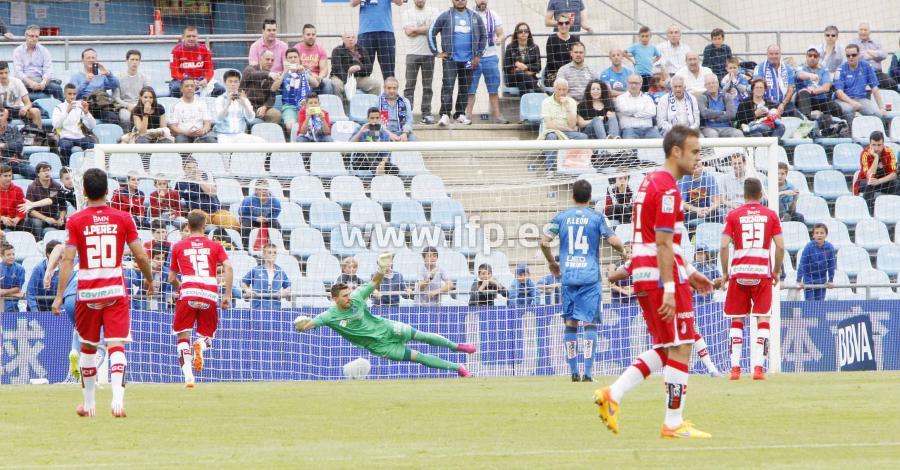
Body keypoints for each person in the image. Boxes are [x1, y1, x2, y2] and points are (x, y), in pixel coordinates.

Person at [594, 125, 714, 439]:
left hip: (646, 273)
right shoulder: (669, 189)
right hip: (661, 277)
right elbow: (662, 243)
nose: (698, 158)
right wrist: (673, 287)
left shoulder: (650, 180)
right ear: (677, 151)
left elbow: (663, 241)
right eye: (695, 151)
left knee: (666, 346)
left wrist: (689, 271)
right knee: (682, 346)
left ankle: (614, 393)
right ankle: (673, 423)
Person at [51, 167, 155, 418]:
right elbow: (140, 255)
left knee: (87, 346)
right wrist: (150, 279)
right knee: (116, 343)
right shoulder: (123, 218)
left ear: (84, 192)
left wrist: (59, 294)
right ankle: (117, 402)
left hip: (87, 292)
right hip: (115, 290)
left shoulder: (75, 221)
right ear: (108, 191)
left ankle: (88, 405)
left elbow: (67, 259)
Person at [294, 252, 476, 377]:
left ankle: (456, 346)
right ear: (335, 299)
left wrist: (381, 269)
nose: (349, 297)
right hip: (380, 346)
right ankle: (458, 368)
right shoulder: (328, 316)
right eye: (344, 296)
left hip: (387, 327)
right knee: (418, 357)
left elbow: (374, 283)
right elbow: (308, 326)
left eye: (348, 294)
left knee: (422, 336)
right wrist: (301, 325)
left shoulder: (357, 297)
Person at [541, 179, 625, 382]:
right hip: (589, 277)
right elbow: (612, 240)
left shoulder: (561, 217)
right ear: (589, 198)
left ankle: (573, 372)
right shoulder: (596, 217)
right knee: (590, 323)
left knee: (570, 323)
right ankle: (587, 373)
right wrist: (624, 252)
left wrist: (552, 262)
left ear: (573, 196)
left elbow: (544, 242)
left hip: (569, 276)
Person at [720, 177, 785, 381]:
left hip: (739, 273)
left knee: (737, 320)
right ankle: (758, 368)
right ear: (761, 194)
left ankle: (735, 369)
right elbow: (781, 246)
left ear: (744, 195)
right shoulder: (770, 215)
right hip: (761, 274)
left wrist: (724, 273)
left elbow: (723, 246)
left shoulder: (733, 215)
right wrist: (776, 271)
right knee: (763, 319)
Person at [168, 210, 233, 388]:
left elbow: (172, 278)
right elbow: (228, 266)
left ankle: (188, 377)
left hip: (188, 292)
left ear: (187, 227)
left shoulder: (179, 246)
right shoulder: (215, 246)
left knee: (182, 336)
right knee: (207, 337)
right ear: (205, 226)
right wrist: (227, 294)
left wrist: (182, 288)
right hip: (209, 293)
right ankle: (201, 345)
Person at [429, 0, 486, 127]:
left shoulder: (474, 16)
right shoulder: (445, 15)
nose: (460, 1)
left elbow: (484, 36)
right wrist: (436, 52)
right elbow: (431, 31)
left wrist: (478, 55)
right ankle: (445, 114)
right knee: (448, 86)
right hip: (451, 60)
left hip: (468, 61)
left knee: (465, 87)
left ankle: (460, 114)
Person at [464, 0, 508, 124]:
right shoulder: (468, 14)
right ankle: (467, 116)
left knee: (493, 89)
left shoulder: (494, 15)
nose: (482, 1)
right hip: (471, 57)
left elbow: (501, 33)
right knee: (470, 88)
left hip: (491, 57)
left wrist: (499, 39)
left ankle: (498, 116)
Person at [176, 156, 240, 230]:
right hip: (198, 213)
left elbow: (212, 192)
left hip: (216, 211)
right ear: (184, 169)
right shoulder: (181, 182)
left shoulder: (206, 175)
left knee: (232, 224)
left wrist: (199, 180)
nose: (192, 170)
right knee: (197, 219)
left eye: (194, 167)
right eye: (189, 168)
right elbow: (176, 199)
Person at [403, 0, 439, 124]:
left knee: (428, 87)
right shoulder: (407, 12)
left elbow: (433, 29)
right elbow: (408, 32)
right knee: (409, 86)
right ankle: (407, 114)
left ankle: (426, 114)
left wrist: (415, 29)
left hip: (429, 54)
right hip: (412, 54)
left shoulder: (434, 11)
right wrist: (426, 27)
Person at [834, 44, 887, 126]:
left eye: (853, 55)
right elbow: (839, 93)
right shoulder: (841, 69)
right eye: (848, 55)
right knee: (849, 110)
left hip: (861, 99)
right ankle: (849, 134)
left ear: (858, 55)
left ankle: (877, 136)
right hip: (844, 100)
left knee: (878, 114)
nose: (851, 57)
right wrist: (852, 103)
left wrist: (881, 107)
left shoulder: (867, 66)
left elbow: (875, 88)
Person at [540, 79, 587, 170]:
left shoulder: (571, 102)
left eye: (564, 89)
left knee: (583, 137)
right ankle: (551, 168)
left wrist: (567, 107)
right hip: (552, 131)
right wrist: (565, 128)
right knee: (551, 137)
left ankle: (575, 165)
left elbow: (572, 125)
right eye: (559, 89)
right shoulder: (546, 102)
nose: (562, 92)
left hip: (567, 132)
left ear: (567, 90)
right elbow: (549, 125)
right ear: (554, 89)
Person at [169, 26, 224, 98]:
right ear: (183, 37)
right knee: (175, 89)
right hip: (182, 79)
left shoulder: (204, 49)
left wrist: (206, 80)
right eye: (188, 36)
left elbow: (210, 70)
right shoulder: (175, 51)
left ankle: (210, 107)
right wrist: (189, 81)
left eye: (194, 36)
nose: (191, 39)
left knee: (220, 90)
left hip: (200, 80)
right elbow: (174, 73)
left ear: (197, 37)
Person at [352, 0, 402, 79]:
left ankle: (389, 91)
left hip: (385, 31)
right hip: (365, 32)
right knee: (362, 69)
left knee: (388, 71)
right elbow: (353, 3)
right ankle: (362, 91)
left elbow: (400, 2)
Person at [12, 25, 64, 101]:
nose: (34, 39)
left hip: (41, 81)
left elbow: (48, 69)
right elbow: (18, 72)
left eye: (37, 36)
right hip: (25, 82)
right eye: (32, 36)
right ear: (26, 36)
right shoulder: (18, 51)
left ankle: (62, 110)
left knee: (57, 88)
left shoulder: (44, 50)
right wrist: (30, 83)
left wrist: (44, 81)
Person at [213, 70, 264, 144]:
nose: (233, 84)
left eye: (236, 81)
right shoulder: (219, 99)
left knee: (261, 142)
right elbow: (218, 119)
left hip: (240, 135)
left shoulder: (243, 99)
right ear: (225, 82)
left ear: (239, 83)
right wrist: (228, 104)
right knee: (226, 151)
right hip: (223, 135)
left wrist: (244, 104)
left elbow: (251, 118)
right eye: (230, 81)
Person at [795, 46, 843, 120]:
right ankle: (806, 123)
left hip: (820, 99)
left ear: (819, 57)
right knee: (804, 93)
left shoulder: (823, 69)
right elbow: (799, 75)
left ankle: (840, 126)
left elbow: (826, 87)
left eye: (815, 56)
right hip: (804, 99)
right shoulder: (801, 67)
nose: (812, 58)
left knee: (835, 107)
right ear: (806, 56)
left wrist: (812, 91)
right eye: (810, 55)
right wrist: (811, 76)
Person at [330, 32, 381, 102]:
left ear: (356, 39)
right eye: (348, 37)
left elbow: (369, 68)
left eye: (353, 37)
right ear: (343, 39)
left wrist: (359, 68)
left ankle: (370, 108)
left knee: (376, 85)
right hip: (340, 77)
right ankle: (340, 109)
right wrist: (348, 81)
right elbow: (337, 69)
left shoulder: (362, 50)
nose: (351, 39)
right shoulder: (337, 50)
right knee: (337, 85)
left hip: (358, 77)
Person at [52, 83, 96, 164]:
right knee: (65, 147)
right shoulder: (58, 107)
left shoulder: (80, 106)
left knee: (93, 146)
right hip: (65, 137)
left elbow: (92, 126)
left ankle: (90, 167)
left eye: (74, 94)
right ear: (64, 94)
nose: (72, 96)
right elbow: (56, 125)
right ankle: (67, 168)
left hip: (80, 136)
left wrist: (86, 113)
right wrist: (67, 111)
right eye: (69, 94)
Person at [853, 131, 897, 210]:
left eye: (879, 145)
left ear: (883, 144)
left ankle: (894, 210)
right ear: (870, 144)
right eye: (874, 145)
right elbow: (869, 175)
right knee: (870, 184)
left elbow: (894, 174)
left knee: (897, 184)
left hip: (882, 181)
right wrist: (876, 157)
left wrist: (879, 181)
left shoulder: (889, 152)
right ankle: (867, 212)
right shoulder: (865, 153)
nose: (876, 148)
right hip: (865, 181)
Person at [752, 45, 798, 118]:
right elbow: (757, 88)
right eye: (771, 54)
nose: (774, 56)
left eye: (776, 54)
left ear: (780, 55)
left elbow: (790, 89)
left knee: (797, 117)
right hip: (765, 104)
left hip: (784, 104)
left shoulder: (788, 68)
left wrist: (783, 104)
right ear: (767, 55)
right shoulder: (760, 68)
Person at [241, 243, 291, 310]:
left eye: (275, 253)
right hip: (257, 307)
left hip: (275, 308)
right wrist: (247, 290)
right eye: (269, 252)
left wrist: (285, 291)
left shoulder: (280, 272)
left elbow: (288, 286)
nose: (273, 254)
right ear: (264, 255)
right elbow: (243, 282)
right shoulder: (256, 270)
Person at [275, 49, 315, 130]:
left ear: (299, 59)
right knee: (291, 127)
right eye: (290, 57)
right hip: (289, 106)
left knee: (312, 125)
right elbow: (274, 87)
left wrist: (303, 73)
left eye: (295, 57)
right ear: (286, 60)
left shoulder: (305, 71)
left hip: (306, 105)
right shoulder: (282, 73)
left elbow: (316, 83)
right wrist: (284, 73)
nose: (293, 59)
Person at [167, 78, 217, 143]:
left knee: (211, 141)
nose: (190, 88)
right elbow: (173, 126)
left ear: (195, 88)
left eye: (192, 86)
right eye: (187, 86)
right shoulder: (175, 105)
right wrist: (186, 132)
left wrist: (203, 130)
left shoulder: (202, 104)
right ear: (181, 89)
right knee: (181, 142)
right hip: (183, 134)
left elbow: (207, 122)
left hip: (201, 134)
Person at [849, 22, 896, 90]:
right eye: (861, 30)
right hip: (860, 74)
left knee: (892, 84)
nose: (863, 32)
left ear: (870, 32)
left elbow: (884, 54)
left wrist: (872, 52)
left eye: (865, 30)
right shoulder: (853, 43)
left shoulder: (876, 42)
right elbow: (854, 57)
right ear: (858, 31)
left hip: (877, 74)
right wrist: (873, 56)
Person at [25, 161, 66, 237]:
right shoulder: (32, 187)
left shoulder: (56, 186)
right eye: (44, 171)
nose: (47, 173)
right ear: (38, 174)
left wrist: (61, 217)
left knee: (65, 221)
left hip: (53, 215)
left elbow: (63, 205)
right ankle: (38, 242)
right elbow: (30, 210)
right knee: (37, 223)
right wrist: (46, 218)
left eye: (48, 170)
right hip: (38, 216)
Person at [796, 223, 836, 301]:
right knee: (810, 303)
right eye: (817, 233)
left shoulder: (830, 247)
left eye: (822, 233)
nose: (819, 235)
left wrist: (831, 280)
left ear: (826, 235)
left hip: (822, 280)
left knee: (820, 304)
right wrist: (798, 280)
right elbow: (802, 263)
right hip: (809, 280)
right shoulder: (809, 247)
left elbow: (831, 265)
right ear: (813, 235)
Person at [679, 160, 725, 228]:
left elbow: (717, 201)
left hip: (707, 210)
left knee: (721, 212)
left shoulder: (709, 178)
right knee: (679, 214)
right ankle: (687, 236)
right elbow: (681, 202)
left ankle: (718, 235)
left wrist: (708, 209)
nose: (696, 168)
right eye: (694, 167)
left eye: (698, 166)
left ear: (702, 166)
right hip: (690, 212)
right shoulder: (683, 180)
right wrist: (697, 209)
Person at [241, 50, 282, 124]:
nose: (270, 62)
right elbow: (253, 75)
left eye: (272, 60)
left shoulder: (272, 76)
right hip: (245, 105)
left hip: (260, 107)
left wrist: (265, 107)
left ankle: (267, 134)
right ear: (261, 59)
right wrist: (268, 74)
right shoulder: (250, 69)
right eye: (267, 59)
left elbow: (272, 97)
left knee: (276, 114)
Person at [615, 74, 661, 139]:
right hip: (629, 130)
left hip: (649, 129)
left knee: (659, 144)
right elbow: (625, 110)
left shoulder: (648, 98)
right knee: (630, 147)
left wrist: (633, 115)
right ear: (627, 83)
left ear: (641, 84)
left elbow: (652, 112)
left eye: (636, 83)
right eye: (631, 83)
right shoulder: (620, 98)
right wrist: (643, 110)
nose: (633, 85)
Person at [113, 50, 150, 130]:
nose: (135, 62)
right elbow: (116, 98)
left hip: (140, 105)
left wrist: (141, 105)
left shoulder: (143, 78)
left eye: (137, 60)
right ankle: (128, 136)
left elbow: (148, 95)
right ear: (127, 61)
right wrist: (127, 105)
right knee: (126, 117)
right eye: (132, 59)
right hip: (125, 107)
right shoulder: (118, 78)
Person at [350, 107, 393, 174]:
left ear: (380, 119)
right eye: (372, 118)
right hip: (361, 161)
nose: (375, 121)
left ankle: (379, 171)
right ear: (368, 119)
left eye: (377, 118)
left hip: (377, 160)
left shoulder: (384, 133)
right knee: (369, 149)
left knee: (393, 168)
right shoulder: (360, 129)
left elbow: (385, 154)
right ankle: (378, 173)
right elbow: (350, 143)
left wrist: (383, 163)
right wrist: (361, 132)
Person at [239, 179, 282, 246]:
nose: (263, 191)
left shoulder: (274, 201)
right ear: (255, 190)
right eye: (260, 189)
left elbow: (276, 213)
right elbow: (242, 214)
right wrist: (255, 218)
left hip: (266, 219)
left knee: (277, 226)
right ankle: (245, 246)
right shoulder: (248, 200)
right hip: (250, 219)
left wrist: (268, 218)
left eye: (265, 189)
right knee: (246, 226)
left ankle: (276, 246)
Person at [0, 61, 42, 128]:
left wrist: (25, 108)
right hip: (4, 110)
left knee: (35, 111)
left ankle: (39, 136)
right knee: (4, 112)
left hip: (19, 109)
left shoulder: (17, 82)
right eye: (1, 73)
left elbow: (28, 103)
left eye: (6, 73)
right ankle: (3, 137)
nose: (4, 76)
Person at [698, 73, 741, 138]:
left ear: (718, 83)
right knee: (712, 134)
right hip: (709, 128)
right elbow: (704, 113)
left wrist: (713, 118)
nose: (711, 85)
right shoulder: (702, 97)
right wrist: (722, 112)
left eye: (713, 83)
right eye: (708, 84)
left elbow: (732, 114)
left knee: (738, 133)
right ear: (705, 86)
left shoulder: (727, 96)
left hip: (726, 128)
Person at [503, 22, 541, 94]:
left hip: (529, 78)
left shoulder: (534, 47)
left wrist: (526, 67)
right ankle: (539, 91)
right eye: (520, 31)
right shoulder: (510, 47)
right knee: (519, 73)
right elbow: (506, 67)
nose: (523, 33)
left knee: (522, 83)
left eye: (526, 31)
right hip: (513, 78)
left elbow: (538, 67)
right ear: (516, 34)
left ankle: (524, 104)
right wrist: (516, 65)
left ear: (529, 33)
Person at [294, 24, 332, 95]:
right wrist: (309, 76)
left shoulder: (320, 49)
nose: (311, 37)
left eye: (313, 34)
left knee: (328, 83)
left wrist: (320, 77)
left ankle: (327, 105)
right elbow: (295, 67)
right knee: (307, 85)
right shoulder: (296, 49)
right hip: (303, 78)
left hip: (317, 79)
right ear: (303, 36)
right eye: (308, 34)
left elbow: (324, 69)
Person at [542, 13, 579, 86]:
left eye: (566, 23)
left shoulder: (575, 39)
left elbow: (578, 58)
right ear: (557, 24)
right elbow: (550, 61)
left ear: (570, 24)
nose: (564, 25)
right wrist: (566, 70)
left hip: (572, 73)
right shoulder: (552, 39)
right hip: (555, 73)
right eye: (561, 23)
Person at [0, 108, 35, 179]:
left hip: (12, 162)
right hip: (1, 163)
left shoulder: (13, 129)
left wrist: (3, 145)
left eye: (1, 115)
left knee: (33, 172)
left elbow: (19, 147)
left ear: (6, 116)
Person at [27, 240, 60, 312]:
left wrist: (62, 310)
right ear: (48, 254)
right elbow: (30, 292)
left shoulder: (64, 269)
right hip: (38, 309)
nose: (61, 256)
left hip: (57, 309)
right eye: (58, 254)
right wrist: (35, 312)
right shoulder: (38, 269)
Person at [625, 26, 661, 92]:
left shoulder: (653, 47)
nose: (644, 38)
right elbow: (624, 52)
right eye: (642, 36)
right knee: (638, 91)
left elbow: (659, 56)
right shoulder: (635, 46)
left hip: (648, 73)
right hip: (638, 74)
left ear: (650, 37)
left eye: (647, 36)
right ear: (639, 37)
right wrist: (632, 61)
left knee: (647, 92)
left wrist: (652, 61)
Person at [0, 164, 27, 232]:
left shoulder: (18, 190)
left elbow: (22, 208)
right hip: (1, 221)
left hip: (15, 221)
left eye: (10, 175)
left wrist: (17, 218)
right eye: (5, 176)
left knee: (27, 224)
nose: (8, 178)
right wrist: (2, 218)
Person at [0, 243, 24, 312]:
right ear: (1, 255)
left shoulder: (20, 269)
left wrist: (3, 292)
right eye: (9, 255)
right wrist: (13, 293)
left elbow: (18, 288)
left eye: (13, 254)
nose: (12, 257)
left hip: (12, 302)